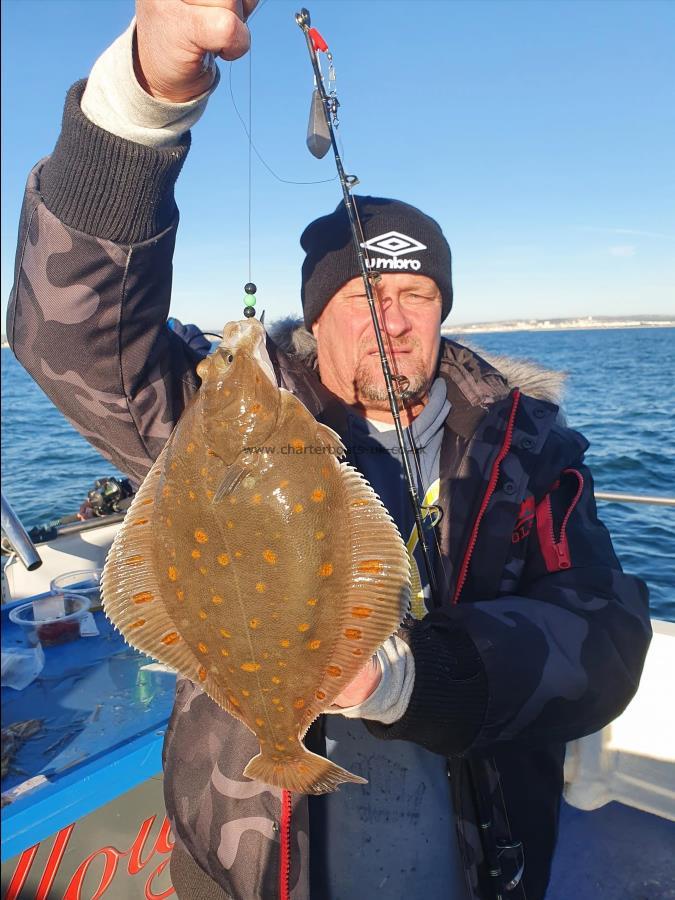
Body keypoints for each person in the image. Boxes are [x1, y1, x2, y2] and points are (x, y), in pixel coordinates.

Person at [7, 2, 651, 898]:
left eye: (417, 294)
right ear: (315, 318)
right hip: (251, 862)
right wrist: (141, 104)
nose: (391, 320)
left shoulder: (529, 451)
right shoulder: (214, 415)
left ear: (443, 310)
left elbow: (608, 642)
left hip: (480, 859)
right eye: (362, 296)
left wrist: (405, 677)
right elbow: (69, 336)